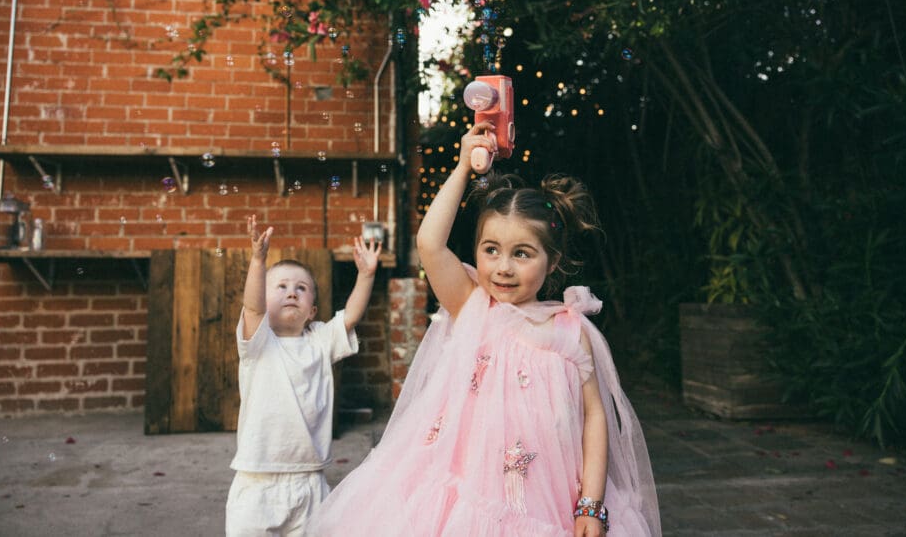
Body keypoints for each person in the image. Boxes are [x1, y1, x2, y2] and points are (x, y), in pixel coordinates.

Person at [309, 122, 660, 536]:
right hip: (471, 495)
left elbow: (595, 417)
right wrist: (462, 167)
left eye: (522, 253)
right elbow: (430, 244)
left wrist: (592, 504)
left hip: (549, 500)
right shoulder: (473, 304)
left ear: (554, 260)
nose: (503, 267)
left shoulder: (570, 331)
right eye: (490, 250)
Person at [225, 214, 382, 537]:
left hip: (310, 480)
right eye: (280, 287)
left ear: (312, 311)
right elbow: (253, 309)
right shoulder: (258, 344)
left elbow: (350, 316)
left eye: (301, 288)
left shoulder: (320, 341)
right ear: (264, 304)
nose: (292, 293)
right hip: (257, 481)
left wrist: (365, 275)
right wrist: (258, 259)